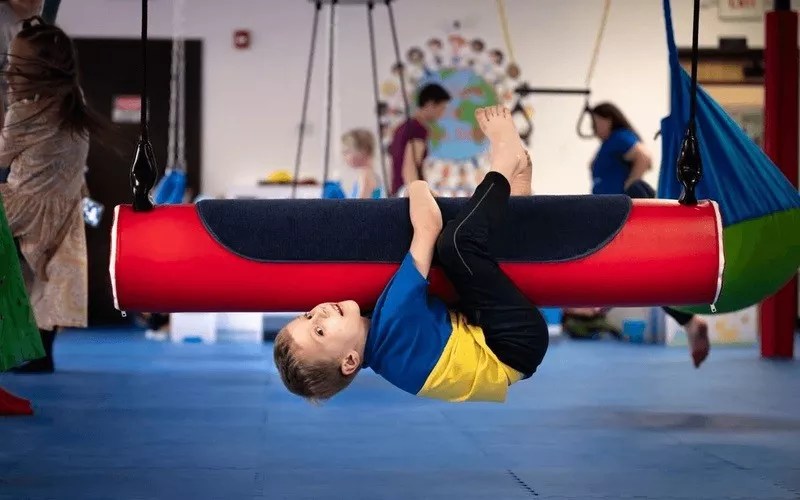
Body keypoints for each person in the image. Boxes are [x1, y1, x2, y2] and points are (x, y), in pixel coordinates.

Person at [273, 105, 546, 403]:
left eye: (308, 315)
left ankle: (517, 189)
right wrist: (413, 187)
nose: (320, 313)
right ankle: (505, 161)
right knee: (456, 245)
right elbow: (429, 226)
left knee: (468, 275)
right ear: (349, 361)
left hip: (503, 351)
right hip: (515, 342)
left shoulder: (384, 360)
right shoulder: (392, 317)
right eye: (320, 331)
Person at [1, 17, 102, 373]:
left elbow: (2, 155)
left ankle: (23, 348)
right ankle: (42, 352)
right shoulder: (75, 104)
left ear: (42, 71)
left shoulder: (24, 111)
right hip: (65, 208)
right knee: (51, 281)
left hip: (22, 206)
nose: (8, 72)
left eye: (15, 66)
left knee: (26, 279)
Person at [588, 102, 709, 368]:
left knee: (643, 272)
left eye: (597, 121)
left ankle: (608, 295)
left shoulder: (620, 137)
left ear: (609, 119)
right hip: (611, 216)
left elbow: (644, 157)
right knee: (649, 279)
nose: (594, 127)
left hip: (623, 211)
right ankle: (690, 323)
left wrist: (631, 183)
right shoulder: (609, 144)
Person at [387, 83, 450, 197]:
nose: (442, 113)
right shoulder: (418, 129)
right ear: (430, 104)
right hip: (407, 193)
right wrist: (421, 197)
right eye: (442, 108)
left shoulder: (401, 127)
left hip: (397, 191)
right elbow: (409, 168)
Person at [341, 128, 383, 199]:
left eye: (347, 151)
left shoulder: (365, 175)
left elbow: (360, 206)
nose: (344, 157)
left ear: (363, 151)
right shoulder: (369, 174)